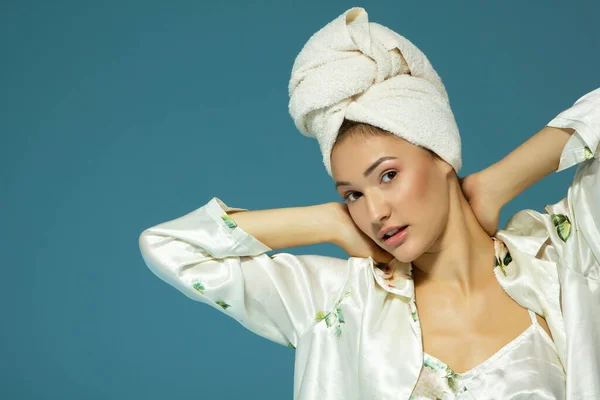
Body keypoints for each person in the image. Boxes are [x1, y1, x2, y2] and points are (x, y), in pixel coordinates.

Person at [138, 7, 599, 400]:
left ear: (441, 156)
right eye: (353, 194)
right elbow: (171, 248)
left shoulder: (566, 258)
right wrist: (330, 222)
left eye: (388, 175)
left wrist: (499, 181)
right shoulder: (336, 300)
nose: (373, 211)